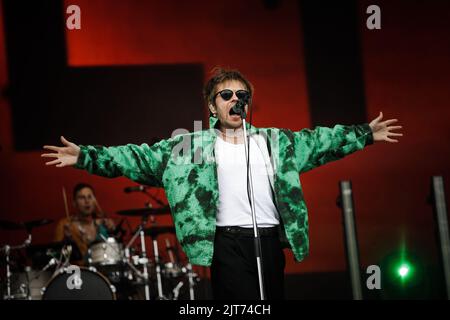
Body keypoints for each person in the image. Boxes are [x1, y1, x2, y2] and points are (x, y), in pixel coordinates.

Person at [42, 68, 403, 299]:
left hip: (268, 241)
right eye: (226, 95)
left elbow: (321, 141)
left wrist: (365, 134)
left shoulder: (274, 142)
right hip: (226, 243)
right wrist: (86, 156)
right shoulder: (191, 146)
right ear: (212, 107)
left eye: (242, 96)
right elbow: (137, 157)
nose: (235, 101)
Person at [54, 183, 116, 265]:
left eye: (90, 197)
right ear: (74, 203)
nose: (87, 201)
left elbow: (114, 251)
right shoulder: (65, 224)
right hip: (77, 273)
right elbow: (55, 256)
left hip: (102, 274)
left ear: (94, 201)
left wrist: (113, 231)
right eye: (82, 198)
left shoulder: (103, 224)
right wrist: (66, 240)